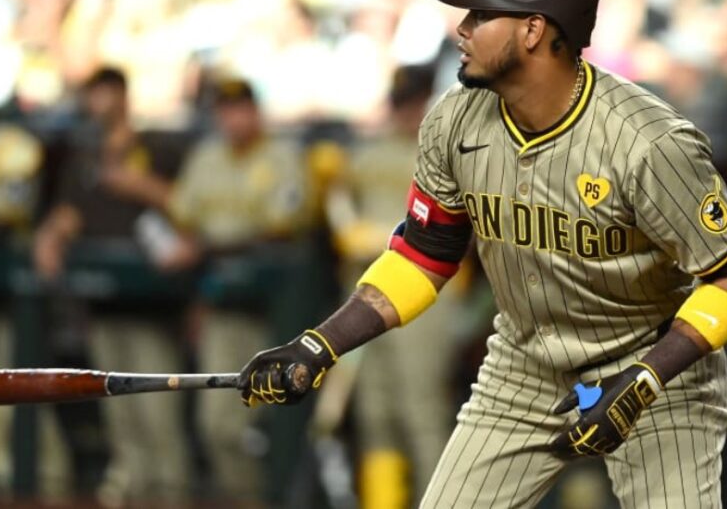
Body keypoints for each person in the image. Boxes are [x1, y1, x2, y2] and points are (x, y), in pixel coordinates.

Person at [239, 0, 727, 508]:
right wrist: (321, 344)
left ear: (533, 30)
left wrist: (645, 378)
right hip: (525, 365)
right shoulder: (454, 121)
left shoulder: (645, 142)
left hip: (656, 368)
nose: (460, 29)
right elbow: (422, 256)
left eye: (480, 14)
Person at [32, 67, 190, 506]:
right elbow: (72, 212)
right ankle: (138, 495)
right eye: (90, 95)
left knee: (158, 412)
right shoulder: (85, 159)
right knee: (119, 414)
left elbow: (186, 206)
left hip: (151, 299)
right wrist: (51, 235)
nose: (96, 104)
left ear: (121, 94)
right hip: (101, 302)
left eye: (103, 93)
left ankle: (170, 497)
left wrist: (132, 180)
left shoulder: (156, 146)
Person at [323, 65, 462, 508]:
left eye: (415, 102)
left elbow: (462, 231)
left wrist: (381, 232)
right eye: (401, 103)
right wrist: (341, 218)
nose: (408, 113)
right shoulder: (367, 154)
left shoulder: (450, 153)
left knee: (419, 410)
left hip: (427, 294)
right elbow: (339, 206)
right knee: (374, 414)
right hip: (366, 289)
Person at [165, 78, 309, 504]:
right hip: (222, 305)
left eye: (240, 107)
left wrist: (207, 245)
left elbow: (281, 232)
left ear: (255, 110)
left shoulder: (284, 157)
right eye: (224, 109)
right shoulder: (207, 158)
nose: (233, 117)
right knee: (218, 425)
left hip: (279, 313)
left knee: (273, 427)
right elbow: (183, 221)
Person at [0, 79, 72, 502]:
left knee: (26, 402)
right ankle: (12, 492)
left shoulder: (11, 143)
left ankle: (51, 492)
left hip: (16, 293)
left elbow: (13, 207)